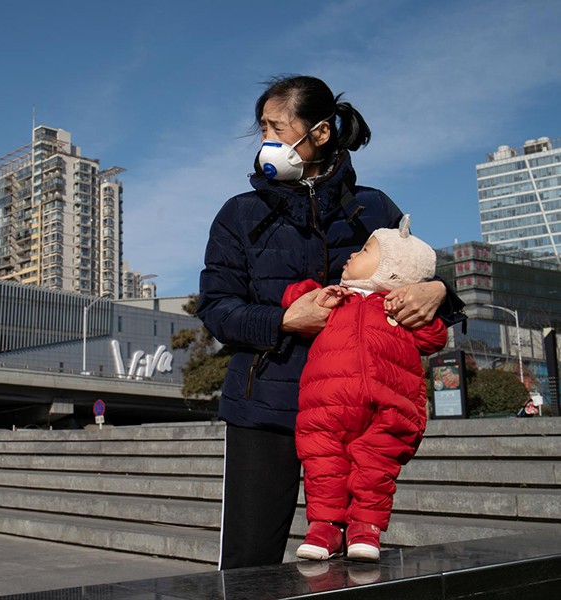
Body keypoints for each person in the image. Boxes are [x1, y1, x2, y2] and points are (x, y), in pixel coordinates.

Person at [196, 74, 465, 570]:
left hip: (360, 412)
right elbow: (216, 308)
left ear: (319, 133)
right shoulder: (238, 214)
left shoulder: (375, 207)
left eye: (277, 127)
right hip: (265, 407)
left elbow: (417, 273)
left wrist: (438, 290)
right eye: (262, 130)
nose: (266, 141)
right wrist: (283, 319)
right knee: (248, 563)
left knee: (352, 560)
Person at [282, 215, 447, 562]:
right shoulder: (336, 297)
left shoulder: (399, 306)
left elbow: (434, 338)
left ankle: (365, 527)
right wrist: (317, 295)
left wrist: (427, 306)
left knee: (376, 469)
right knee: (323, 464)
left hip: (392, 406)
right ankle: (324, 526)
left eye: (364, 250)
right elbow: (294, 298)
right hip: (326, 404)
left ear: (392, 269)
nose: (351, 255)